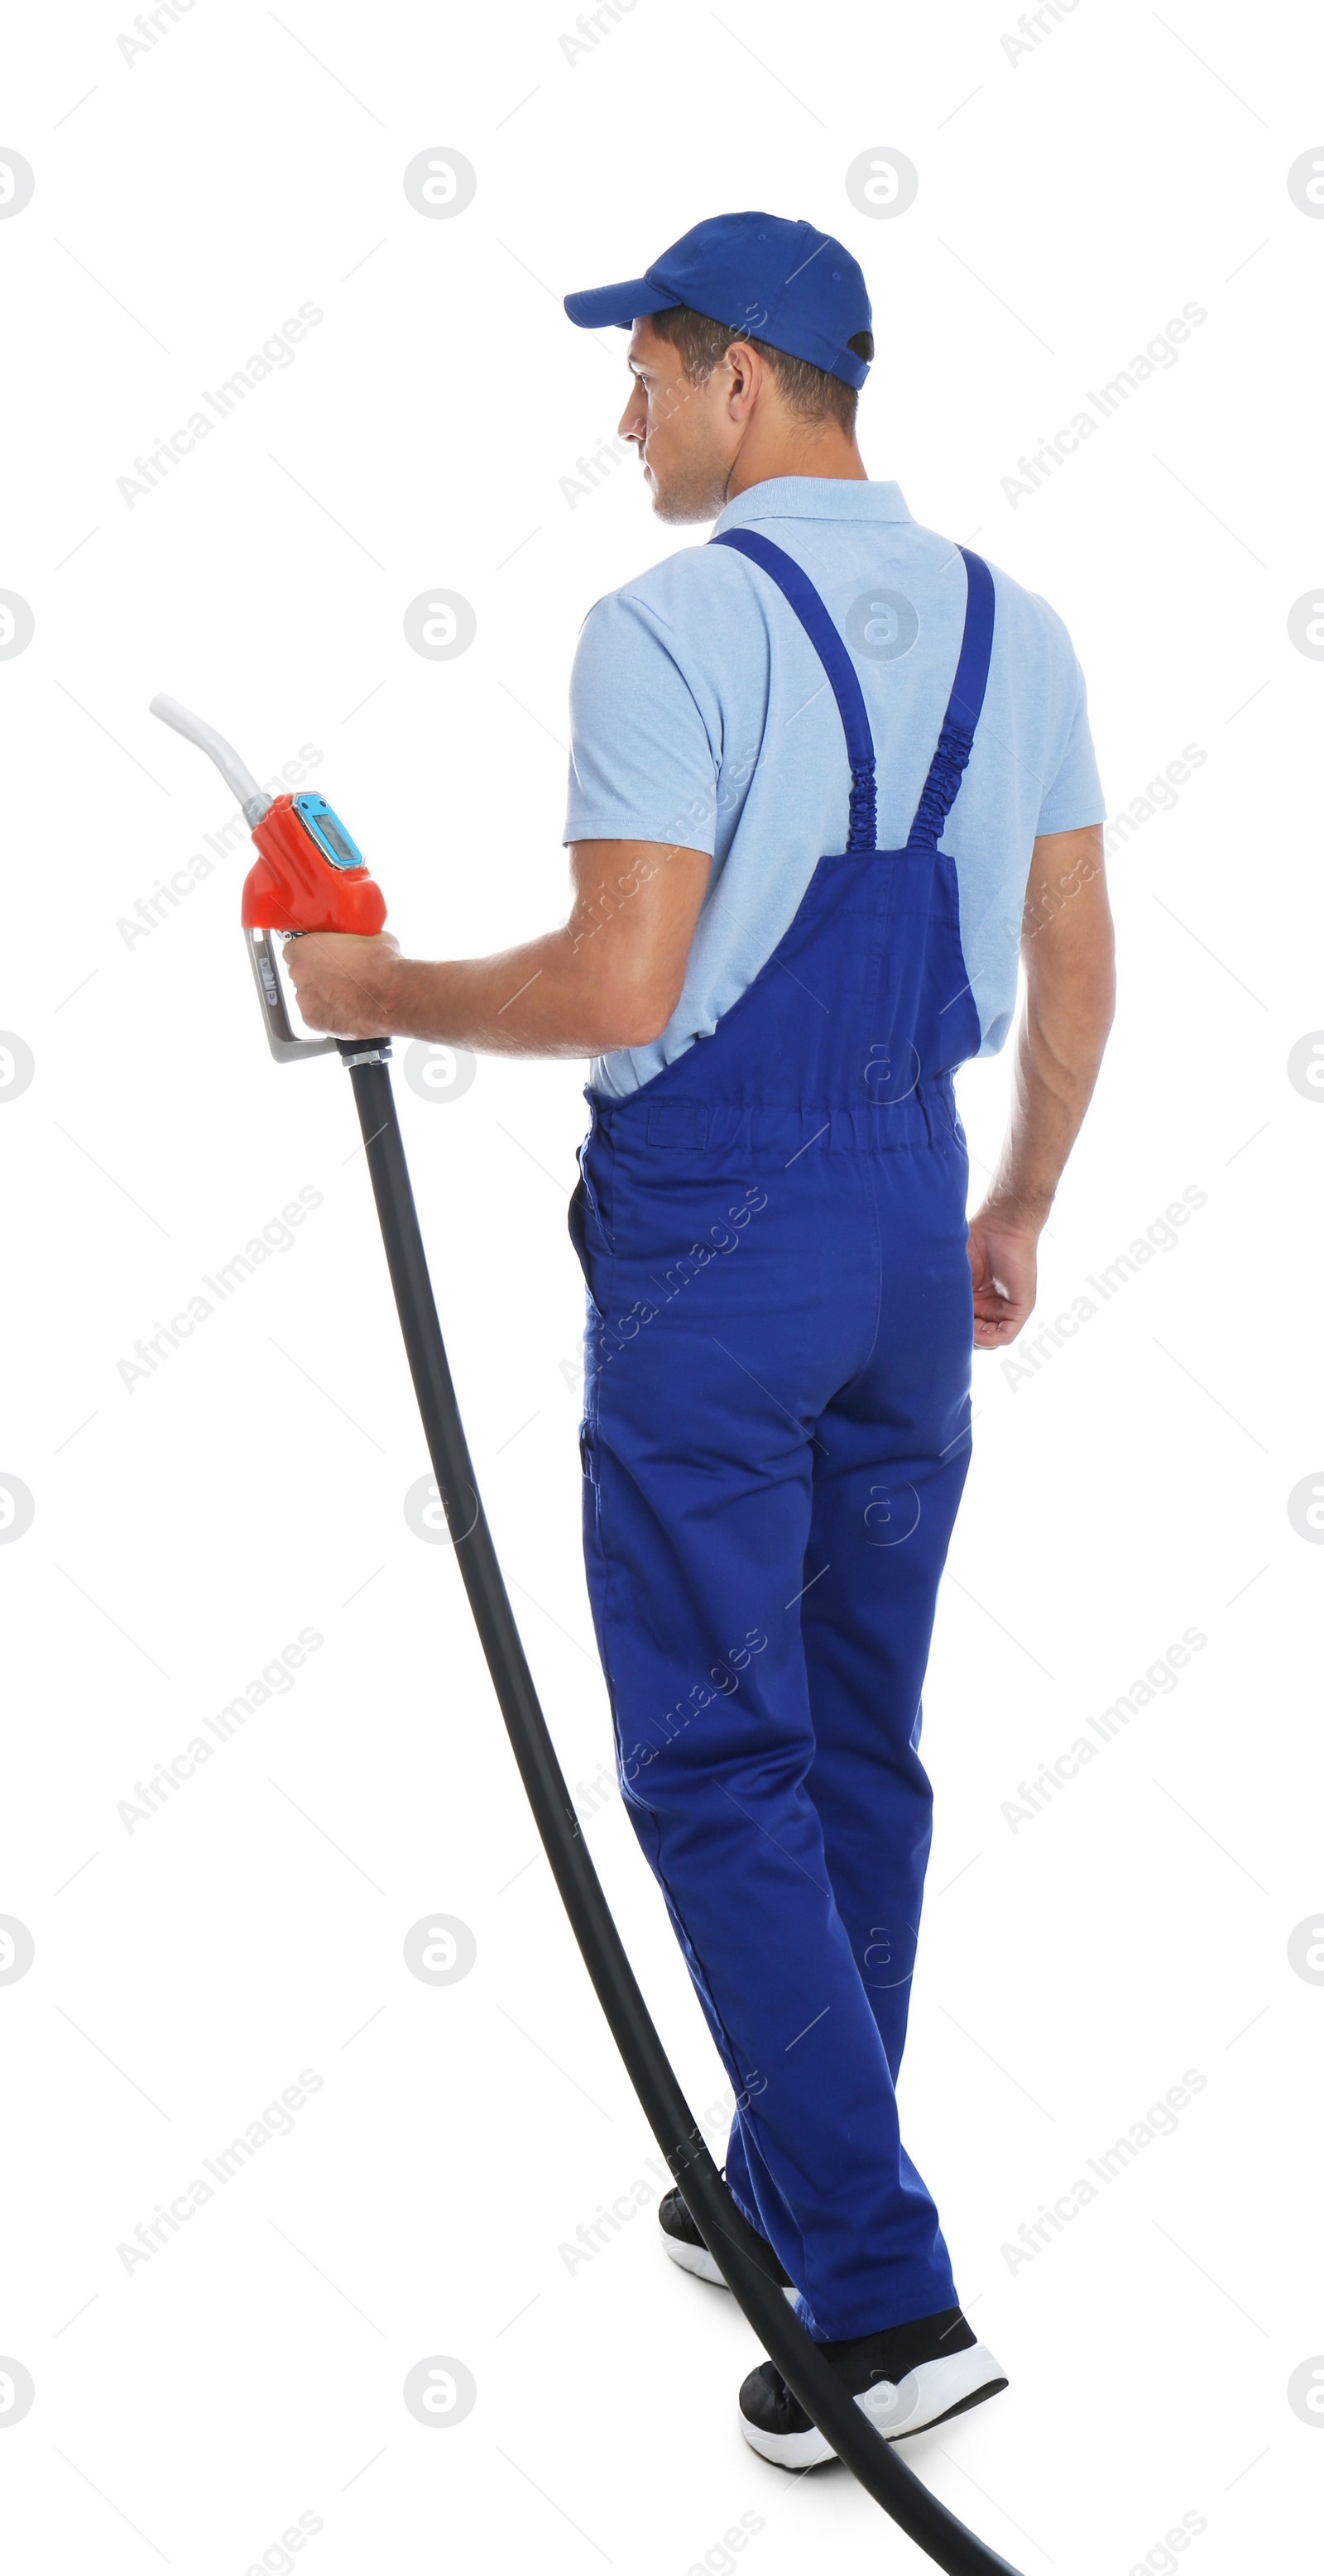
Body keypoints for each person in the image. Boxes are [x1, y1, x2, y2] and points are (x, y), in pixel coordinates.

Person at [283, 210, 1115, 2469]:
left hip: (718, 1255)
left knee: (715, 1770)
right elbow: (1079, 951)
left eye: (645, 369)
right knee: (860, 1738)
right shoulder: (1016, 628)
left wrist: (382, 993)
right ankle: (783, 2162)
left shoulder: (665, 629)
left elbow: (622, 986)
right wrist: (1017, 1199)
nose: (624, 413)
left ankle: (881, 2293)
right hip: (898, 1233)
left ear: (744, 381)